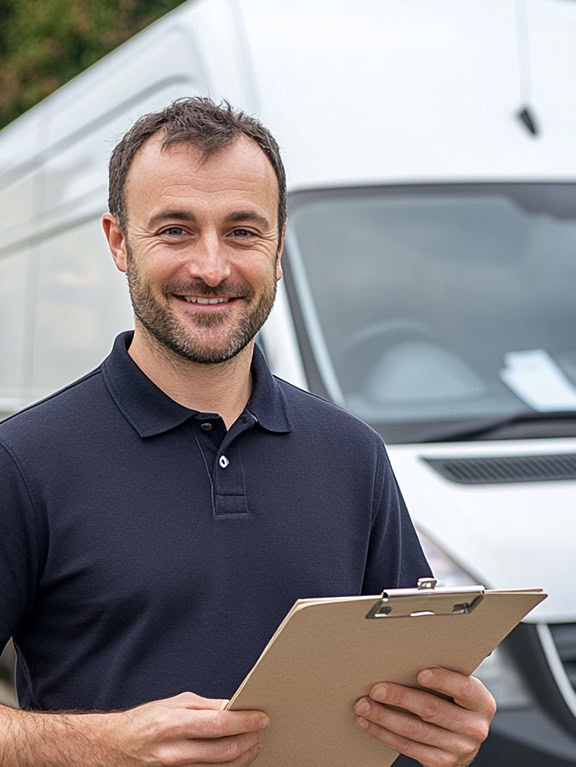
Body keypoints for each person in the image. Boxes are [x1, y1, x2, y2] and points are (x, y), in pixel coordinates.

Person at [0, 98, 495, 767]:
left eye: (242, 231)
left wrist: (447, 730)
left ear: (280, 245)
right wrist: (107, 743)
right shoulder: (24, 460)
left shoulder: (354, 455)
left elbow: (409, 693)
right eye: (175, 230)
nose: (211, 267)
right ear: (119, 242)